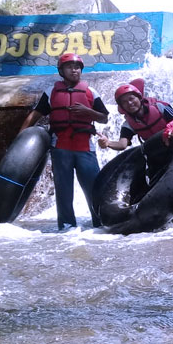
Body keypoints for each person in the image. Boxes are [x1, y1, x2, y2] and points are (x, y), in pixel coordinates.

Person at [19, 53, 108, 230]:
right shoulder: (50, 92)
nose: (74, 70)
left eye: (77, 67)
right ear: (61, 71)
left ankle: (101, 224)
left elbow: (104, 118)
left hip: (85, 148)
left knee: (94, 188)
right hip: (60, 148)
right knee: (63, 190)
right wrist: (20, 137)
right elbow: (35, 115)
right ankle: (67, 227)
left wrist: (87, 112)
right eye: (69, 67)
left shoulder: (91, 92)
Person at [97, 80, 173, 151]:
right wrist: (108, 143)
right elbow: (122, 144)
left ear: (139, 98)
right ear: (122, 107)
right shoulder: (128, 124)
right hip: (156, 151)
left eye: (131, 98)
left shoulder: (160, 107)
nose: (129, 103)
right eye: (124, 102)